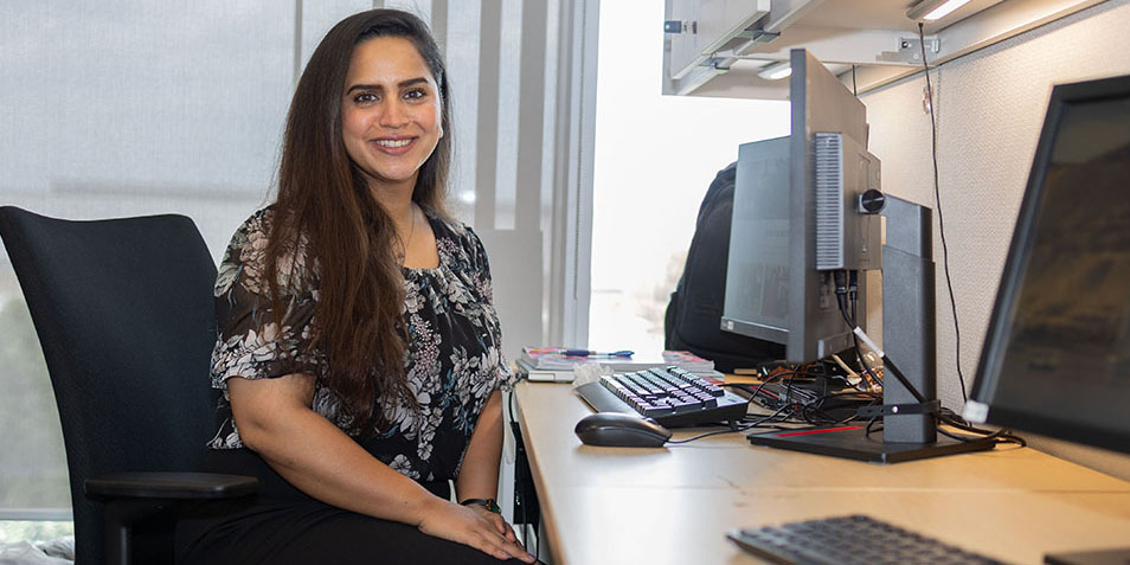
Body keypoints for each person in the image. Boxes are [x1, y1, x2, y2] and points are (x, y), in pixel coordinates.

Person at [175, 9, 535, 565]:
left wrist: (479, 507)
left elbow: (484, 398)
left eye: (414, 93)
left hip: (395, 516)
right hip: (272, 515)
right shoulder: (281, 241)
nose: (395, 116)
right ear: (332, 115)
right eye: (366, 97)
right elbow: (268, 420)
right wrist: (430, 509)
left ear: (440, 109)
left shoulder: (462, 247)